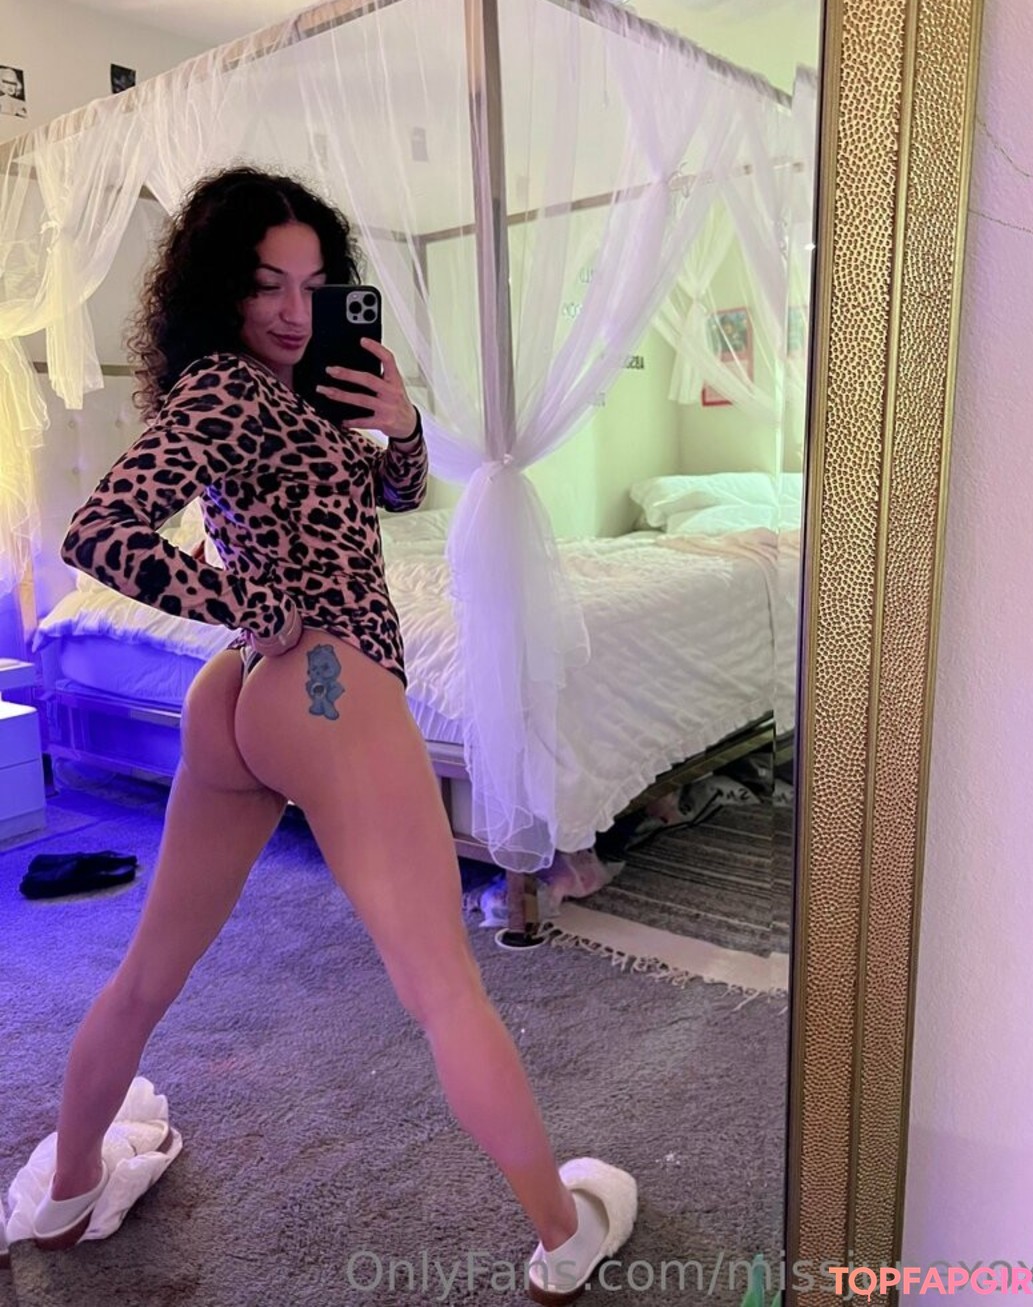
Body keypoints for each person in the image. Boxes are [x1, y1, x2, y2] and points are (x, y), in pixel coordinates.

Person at [28, 166, 636, 1302]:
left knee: (150, 973)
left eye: (313, 286)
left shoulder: (289, 392)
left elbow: (391, 499)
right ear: (221, 289)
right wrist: (249, 602)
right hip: (320, 682)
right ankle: (564, 1235)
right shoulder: (227, 387)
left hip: (247, 694)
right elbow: (101, 532)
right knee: (444, 985)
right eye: (267, 284)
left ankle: (66, 1195)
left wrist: (402, 428)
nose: (295, 311)